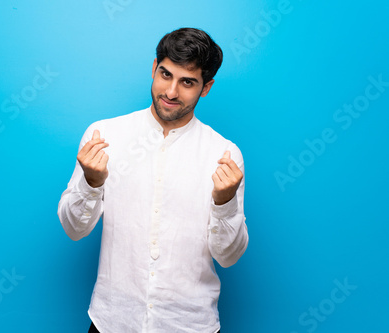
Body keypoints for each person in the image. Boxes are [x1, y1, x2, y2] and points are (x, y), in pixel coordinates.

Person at [58, 27, 248, 333]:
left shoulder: (224, 154)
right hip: (112, 322)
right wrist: (91, 183)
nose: (171, 92)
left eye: (188, 82)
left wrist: (225, 202)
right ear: (153, 69)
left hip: (190, 325)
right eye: (165, 74)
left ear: (206, 87)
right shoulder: (104, 136)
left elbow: (228, 256)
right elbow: (74, 229)